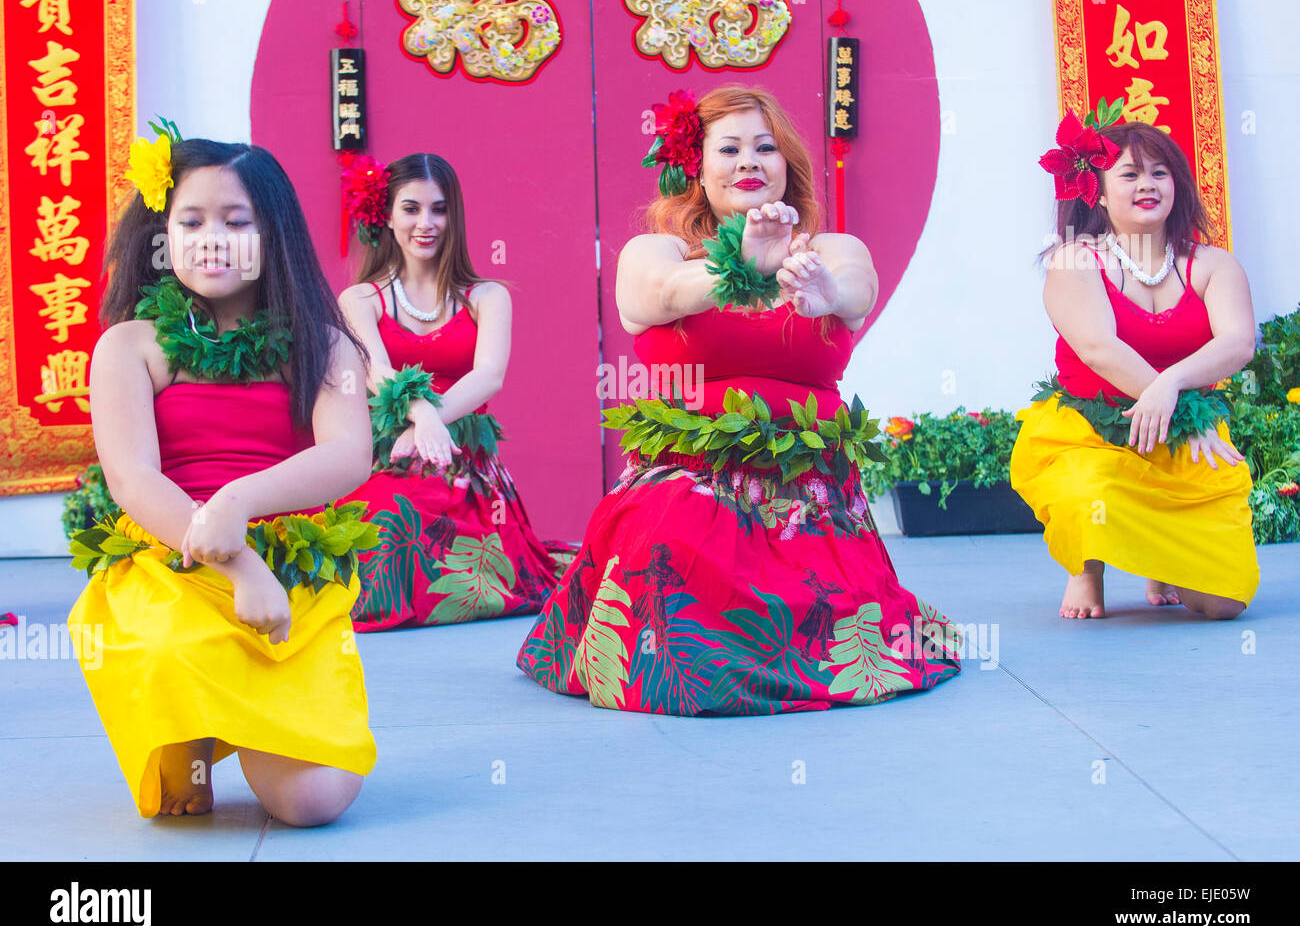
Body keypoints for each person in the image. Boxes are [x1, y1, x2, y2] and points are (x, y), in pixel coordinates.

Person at [516, 86, 963, 715]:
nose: (748, 161)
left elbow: (856, 291)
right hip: (686, 477)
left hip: (808, 486)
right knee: (675, 549)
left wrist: (821, 291)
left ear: (787, 165)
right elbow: (664, 295)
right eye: (728, 148)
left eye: (765, 147)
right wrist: (741, 262)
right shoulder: (657, 252)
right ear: (695, 169)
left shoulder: (830, 251)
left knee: (811, 615)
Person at [67, 126, 378, 823]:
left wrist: (237, 500)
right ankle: (201, 715)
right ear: (162, 234)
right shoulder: (129, 346)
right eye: (191, 221)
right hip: (170, 563)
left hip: (294, 567)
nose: (212, 238)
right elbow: (132, 478)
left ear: (273, 235)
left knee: (310, 803)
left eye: (236, 222)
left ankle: (257, 708)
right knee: (180, 790)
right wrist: (236, 563)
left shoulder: (325, 344)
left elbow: (347, 454)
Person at [1011, 110, 1259, 619]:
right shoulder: (1076, 260)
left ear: (1177, 186)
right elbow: (1100, 349)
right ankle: (1087, 568)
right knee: (1090, 489)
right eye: (1130, 173)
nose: (1147, 184)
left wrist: (1173, 388)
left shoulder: (1215, 265)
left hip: (1187, 426)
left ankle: (1164, 561)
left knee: (1224, 604)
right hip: (1093, 428)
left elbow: (1238, 343)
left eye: (1159, 173)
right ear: (1098, 193)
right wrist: (1177, 404)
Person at [335, 153, 569, 630]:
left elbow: (488, 378)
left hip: (464, 453)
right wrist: (419, 417)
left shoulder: (487, 296)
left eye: (439, 209)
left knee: (454, 544)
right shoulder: (361, 299)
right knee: (383, 531)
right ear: (386, 215)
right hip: (390, 445)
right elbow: (376, 370)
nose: (427, 223)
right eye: (411, 208)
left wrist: (434, 423)